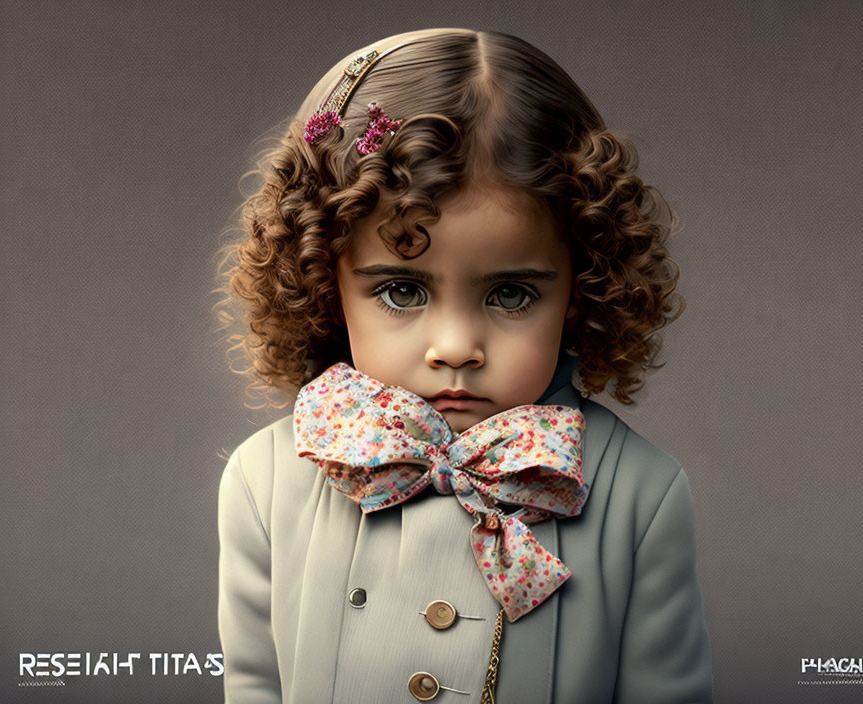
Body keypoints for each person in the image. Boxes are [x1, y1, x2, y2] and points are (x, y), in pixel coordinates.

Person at [215, 27, 713, 704]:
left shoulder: (641, 496)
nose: (455, 345)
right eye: (402, 290)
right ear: (324, 283)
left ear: (583, 287)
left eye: (511, 294)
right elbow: (253, 687)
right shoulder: (266, 481)